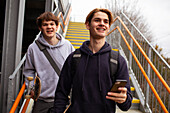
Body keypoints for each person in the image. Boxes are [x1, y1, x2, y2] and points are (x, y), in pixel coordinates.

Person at [53, 8, 132, 113]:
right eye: (97, 20)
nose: (102, 24)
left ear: (108, 27)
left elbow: (126, 105)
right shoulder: (74, 58)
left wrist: (124, 99)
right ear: (87, 25)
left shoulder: (117, 60)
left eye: (106, 22)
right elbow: (61, 93)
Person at [23, 12, 75, 113]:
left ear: (57, 26)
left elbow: (75, 67)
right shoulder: (33, 48)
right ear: (40, 28)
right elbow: (29, 71)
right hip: (42, 100)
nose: (49, 27)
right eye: (45, 24)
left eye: (52, 24)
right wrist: (31, 89)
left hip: (63, 99)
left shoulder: (67, 45)